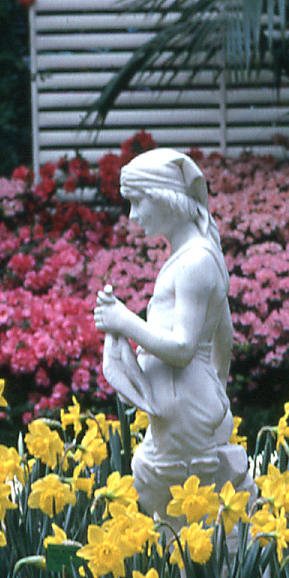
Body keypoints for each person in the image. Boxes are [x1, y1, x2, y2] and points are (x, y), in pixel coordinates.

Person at [92, 148, 252, 524]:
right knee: (170, 491)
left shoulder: (195, 262)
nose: (133, 216)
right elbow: (225, 337)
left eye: (138, 202)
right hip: (186, 402)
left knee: (171, 493)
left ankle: (208, 560)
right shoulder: (199, 255)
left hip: (183, 404)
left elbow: (182, 348)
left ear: (165, 198)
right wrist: (215, 393)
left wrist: (123, 320)